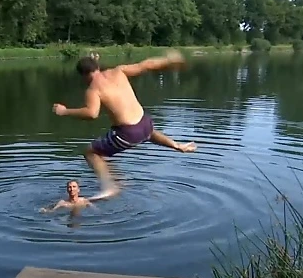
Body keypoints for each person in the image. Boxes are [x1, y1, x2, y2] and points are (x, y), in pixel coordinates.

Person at [52, 50, 197, 199]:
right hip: (145, 122)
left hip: (127, 132)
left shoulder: (93, 89)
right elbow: (146, 65)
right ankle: (177, 145)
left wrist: (65, 111)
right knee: (148, 133)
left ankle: (110, 187)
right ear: (97, 67)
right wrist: (167, 60)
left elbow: (92, 113)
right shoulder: (118, 71)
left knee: (90, 152)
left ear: (83, 75)